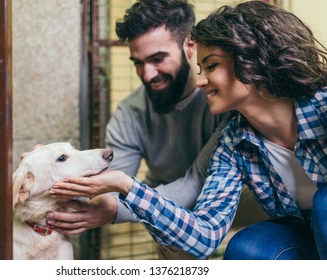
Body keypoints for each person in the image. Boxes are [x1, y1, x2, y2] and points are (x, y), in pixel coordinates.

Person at [49, 1, 327, 260]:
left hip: (260, 212)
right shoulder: (234, 138)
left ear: (250, 61)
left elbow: (194, 183)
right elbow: (202, 233)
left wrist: (120, 201)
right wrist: (51, 164)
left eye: (212, 66)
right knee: (247, 248)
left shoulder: (319, 108)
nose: (201, 81)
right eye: (138, 62)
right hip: (287, 225)